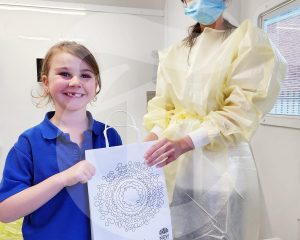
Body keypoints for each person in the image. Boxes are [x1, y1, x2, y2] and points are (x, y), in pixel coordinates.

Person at [143, 0, 287, 239]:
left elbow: (241, 110)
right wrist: (147, 142)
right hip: (181, 168)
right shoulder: (175, 54)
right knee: (180, 231)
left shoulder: (246, 42)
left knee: (224, 231)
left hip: (223, 166)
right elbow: (165, 109)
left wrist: (186, 142)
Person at [0, 41, 122, 240]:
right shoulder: (29, 143)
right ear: (46, 82)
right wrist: (63, 178)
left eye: (86, 75)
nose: (75, 82)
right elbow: (5, 212)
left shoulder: (109, 136)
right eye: (65, 74)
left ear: (96, 84)